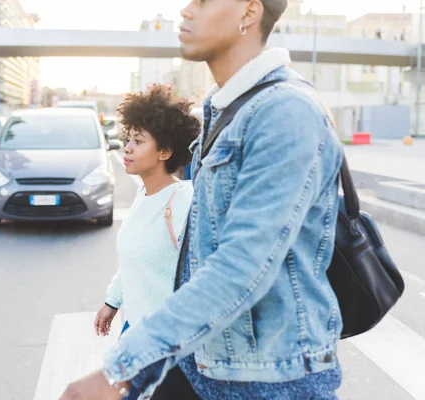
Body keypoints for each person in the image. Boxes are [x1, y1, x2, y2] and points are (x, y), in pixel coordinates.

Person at [60, 0, 344, 398]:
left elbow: (241, 267)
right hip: (209, 366)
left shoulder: (285, 112)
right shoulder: (225, 111)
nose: (186, 11)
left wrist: (122, 368)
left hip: (272, 381)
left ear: (249, 12)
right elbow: (196, 267)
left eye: (204, 1)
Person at [93, 85, 200, 400]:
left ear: (165, 152)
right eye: (129, 139)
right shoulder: (144, 195)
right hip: (136, 332)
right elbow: (136, 257)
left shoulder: (182, 200)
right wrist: (113, 301)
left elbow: (203, 275)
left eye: (139, 142)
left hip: (170, 347)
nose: (127, 148)